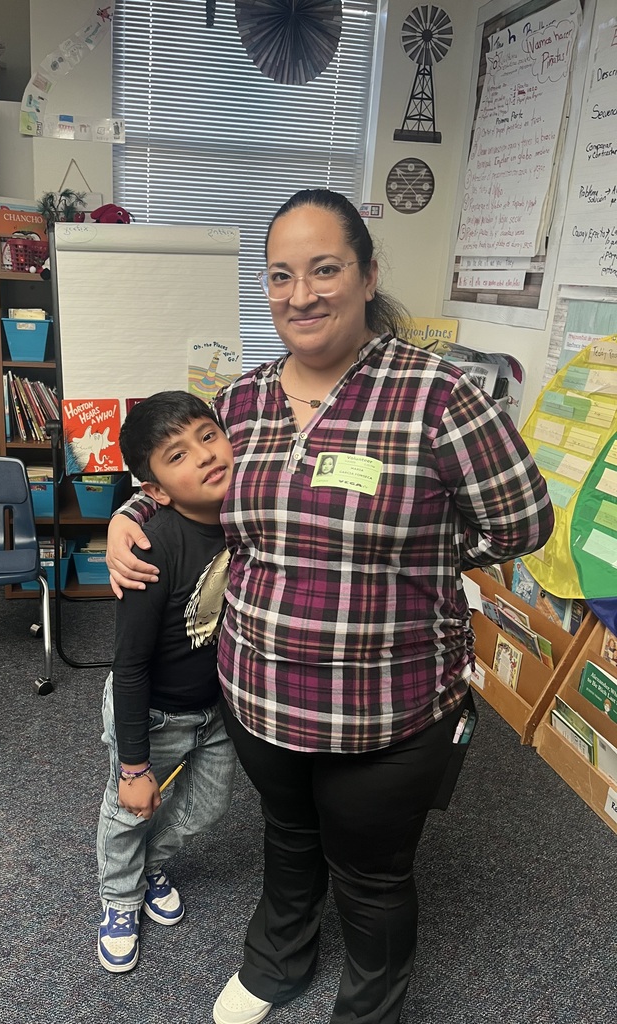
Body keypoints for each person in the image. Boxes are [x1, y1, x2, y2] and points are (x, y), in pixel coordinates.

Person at [106, 189, 554, 1022]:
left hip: (385, 707)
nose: (301, 294)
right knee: (289, 838)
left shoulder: (436, 396)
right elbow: (191, 492)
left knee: (373, 874)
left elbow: (522, 522)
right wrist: (126, 516)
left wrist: (422, 552)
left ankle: (371, 1006)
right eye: (281, 275)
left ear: (367, 274)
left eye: (324, 269)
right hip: (258, 691)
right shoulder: (238, 402)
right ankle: (277, 962)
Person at [96, 391, 237, 974]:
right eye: (176, 456)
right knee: (131, 808)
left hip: (219, 711)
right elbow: (128, 666)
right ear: (153, 490)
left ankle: (153, 865)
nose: (204, 457)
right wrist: (133, 767)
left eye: (208, 436)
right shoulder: (150, 549)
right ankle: (119, 897)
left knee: (208, 806)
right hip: (153, 712)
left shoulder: (247, 517)